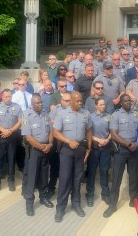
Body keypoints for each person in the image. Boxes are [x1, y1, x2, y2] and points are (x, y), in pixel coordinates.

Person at [52, 91, 92, 222]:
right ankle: (60, 208)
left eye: (81, 101)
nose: (80, 103)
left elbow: (89, 130)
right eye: (78, 101)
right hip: (67, 150)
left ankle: (76, 204)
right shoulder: (62, 114)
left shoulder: (85, 114)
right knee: (64, 179)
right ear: (71, 101)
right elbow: (55, 132)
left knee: (77, 178)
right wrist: (68, 141)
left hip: (80, 149)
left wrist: (88, 148)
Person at [105, 94, 138, 217]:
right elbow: (114, 134)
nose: (128, 102)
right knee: (116, 178)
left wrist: (136, 143)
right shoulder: (116, 115)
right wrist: (127, 144)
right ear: (121, 103)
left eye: (129, 100)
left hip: (134, 150)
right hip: (121, 150)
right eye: (125, 101)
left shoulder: (137, 114)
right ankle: (112, 205)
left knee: (133, 176)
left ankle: (133, 200)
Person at [86, 97, 113, 207]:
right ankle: (90, 194)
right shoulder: (90, 117)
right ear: (95, 106)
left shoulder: (109, 116)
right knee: (91, 171)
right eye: (101, 105)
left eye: (104, 104)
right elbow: (88, 133)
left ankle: (105, 193)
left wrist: (107, 140)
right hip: (94, 147)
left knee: (104, 170)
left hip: (105, 147)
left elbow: (112, 131)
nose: (103, 106)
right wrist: (98, 140)